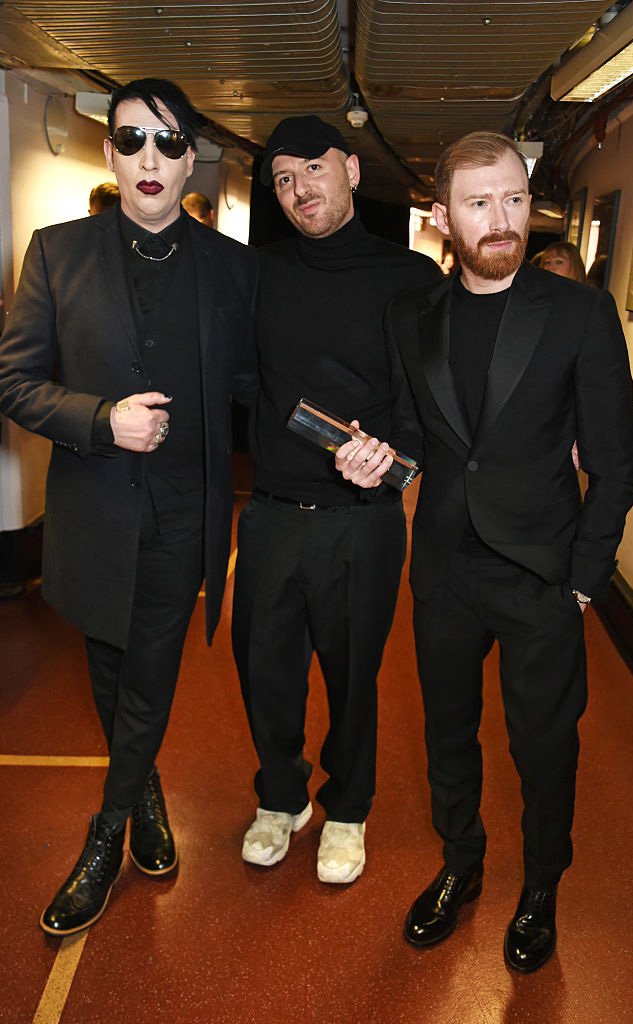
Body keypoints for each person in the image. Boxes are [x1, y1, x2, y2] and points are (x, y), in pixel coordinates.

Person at [337, 131, 633, 970]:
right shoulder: (412, 316)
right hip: (444, 573)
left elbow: (613, 467)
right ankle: (460, 864)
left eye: (513, 198)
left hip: (543, 578)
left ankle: (542, 885)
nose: (503, 220)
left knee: (545, 747)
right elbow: (410, 435)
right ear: (442, 217)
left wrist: (582, 582)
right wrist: (375, 462)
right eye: (480, 203)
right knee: (449, 735)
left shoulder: (578, 313)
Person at [0, 78, 258, 935]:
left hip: (184, 515)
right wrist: (101, 419)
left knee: (147, 667)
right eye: (133, 139)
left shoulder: (233, 269)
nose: (150, 157)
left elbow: (261, 382)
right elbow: (14, 381)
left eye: (169, 142)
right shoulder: (56, 252)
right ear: (110, 151)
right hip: (94, 511)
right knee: (108, 669)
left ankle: (105, 835)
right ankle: (143, 789)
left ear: (192, 160)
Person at [232, 115, 440, 885]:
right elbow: (240, 377)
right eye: (282, 179)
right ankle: (280, 798)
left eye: (312, 169)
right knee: (266, 671)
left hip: (365, 522)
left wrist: (394, 458)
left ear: (351, 169)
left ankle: (348, 809)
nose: (298, 190)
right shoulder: (262, 273)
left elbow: (430, 406)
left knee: (354, 677)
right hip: (271, 513)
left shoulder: (412, 278)